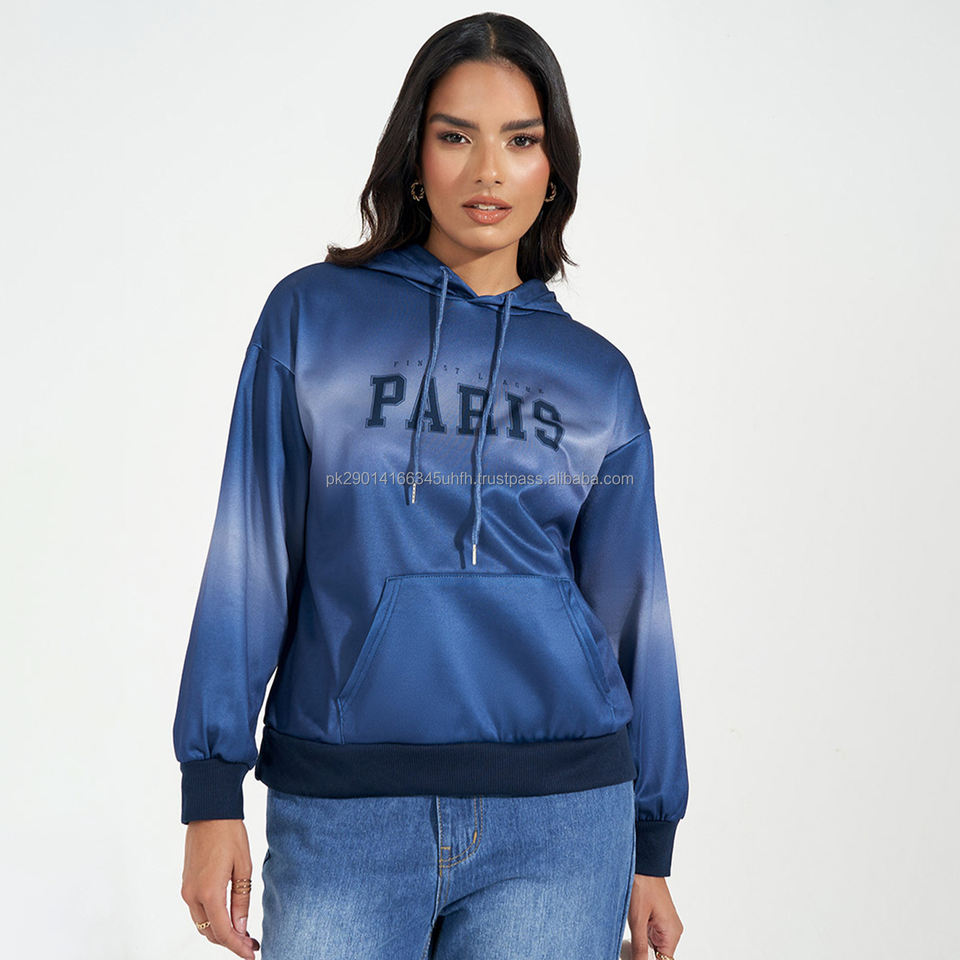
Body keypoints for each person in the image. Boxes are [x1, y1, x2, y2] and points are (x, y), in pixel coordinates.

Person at [173, 12, 688, 960]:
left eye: (520, 141)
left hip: (563, 819)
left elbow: (633, 610)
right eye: (457, 136)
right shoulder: (313, 320)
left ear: (553, 170)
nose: (488, 171)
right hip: (347, 810)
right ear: (415, 157)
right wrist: (211, 791)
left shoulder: (596, 379)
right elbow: (251, 555)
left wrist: (650, 840)